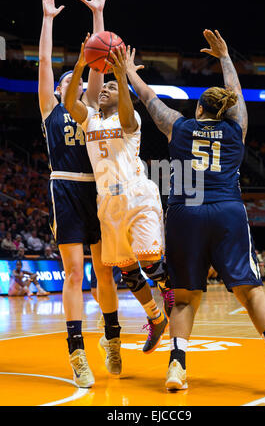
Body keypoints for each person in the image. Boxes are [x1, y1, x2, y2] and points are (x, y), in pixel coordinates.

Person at [123, 31, 265, 392]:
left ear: (199, 108)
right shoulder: (237, 129)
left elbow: (148, 97)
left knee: (185, 297)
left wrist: (129, 70)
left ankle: (176, 366)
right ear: (226, 110)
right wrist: (225, 58)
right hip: (227, 211)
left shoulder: (180, 126)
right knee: (251, 291)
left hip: (186, 212)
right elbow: (237, 97)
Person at [64, 37, 174, 373]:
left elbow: (127, 116)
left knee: (149, 259)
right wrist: (82, 63)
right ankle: (155, 317)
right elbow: (71, 105)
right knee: (126, 269)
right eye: (105, 86)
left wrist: (122, 77)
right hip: (107, 202)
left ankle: (172, 296)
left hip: (137, 195)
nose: (106, 89)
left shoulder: (131, 120)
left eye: (112, 87)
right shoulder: (91, 120)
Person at [38, 0, 115, 387]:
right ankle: (77, 353)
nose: (78, 86)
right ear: (57, 90)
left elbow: (99, 59)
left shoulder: (87, 111)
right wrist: (48, 20)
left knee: (104, 271)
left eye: (81, 84)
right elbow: (47, 61)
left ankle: (113, 337)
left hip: (96, 189)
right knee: (73, 273)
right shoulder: (50, 107)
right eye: (70, 83)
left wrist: (98, 16)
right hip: (65, 188)